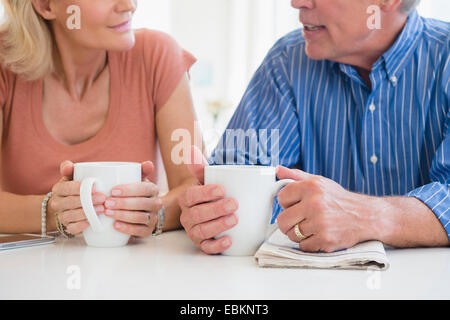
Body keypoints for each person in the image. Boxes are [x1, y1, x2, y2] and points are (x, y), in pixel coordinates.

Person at [178, 0, 450, 254]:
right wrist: (214, 209)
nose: (297, 2)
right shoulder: (287, 61)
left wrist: (368, 216)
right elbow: (241, 173)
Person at [0, 0, 201, 239]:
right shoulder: (5, 61)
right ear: (45, 5)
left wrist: (155, 214)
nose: (129, 5)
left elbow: (195, 184)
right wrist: (55, 211)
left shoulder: (158, 55)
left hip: (130, 268)